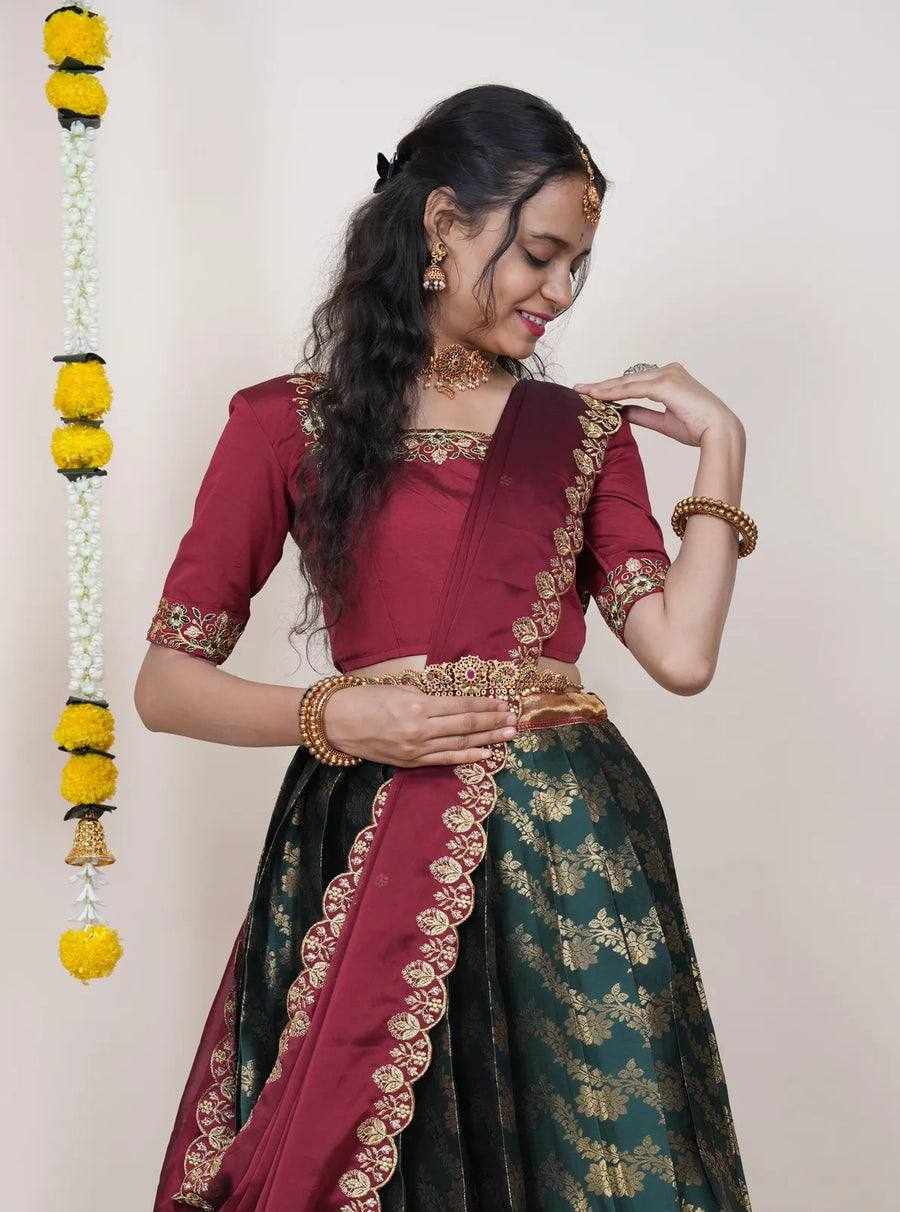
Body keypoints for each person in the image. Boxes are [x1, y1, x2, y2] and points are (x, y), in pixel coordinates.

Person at [136, 84, 755, 1212]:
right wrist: (332, 714)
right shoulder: (284, 422)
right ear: (442, 226)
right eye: (540, 257)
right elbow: (165, 685)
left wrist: (723, 446)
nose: (558, 294)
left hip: (570, 856)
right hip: (368, 835)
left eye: (577, 269)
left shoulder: (582, 434)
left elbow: (681, 654)